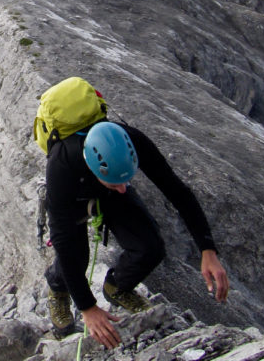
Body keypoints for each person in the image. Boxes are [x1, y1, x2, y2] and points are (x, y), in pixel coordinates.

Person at [44, 118, 229, 349]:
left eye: (126, 181)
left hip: (106, 190)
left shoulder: (132, 141)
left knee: (150, 247)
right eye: (117, 183)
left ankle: (117, 287)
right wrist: (88, 308)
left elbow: (178, 191)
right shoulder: (62, 166)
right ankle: (58, 289)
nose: (124, 188)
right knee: (75, 255)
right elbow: (61, 239)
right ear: (92, 165)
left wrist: (207, 249)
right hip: (74, 195)